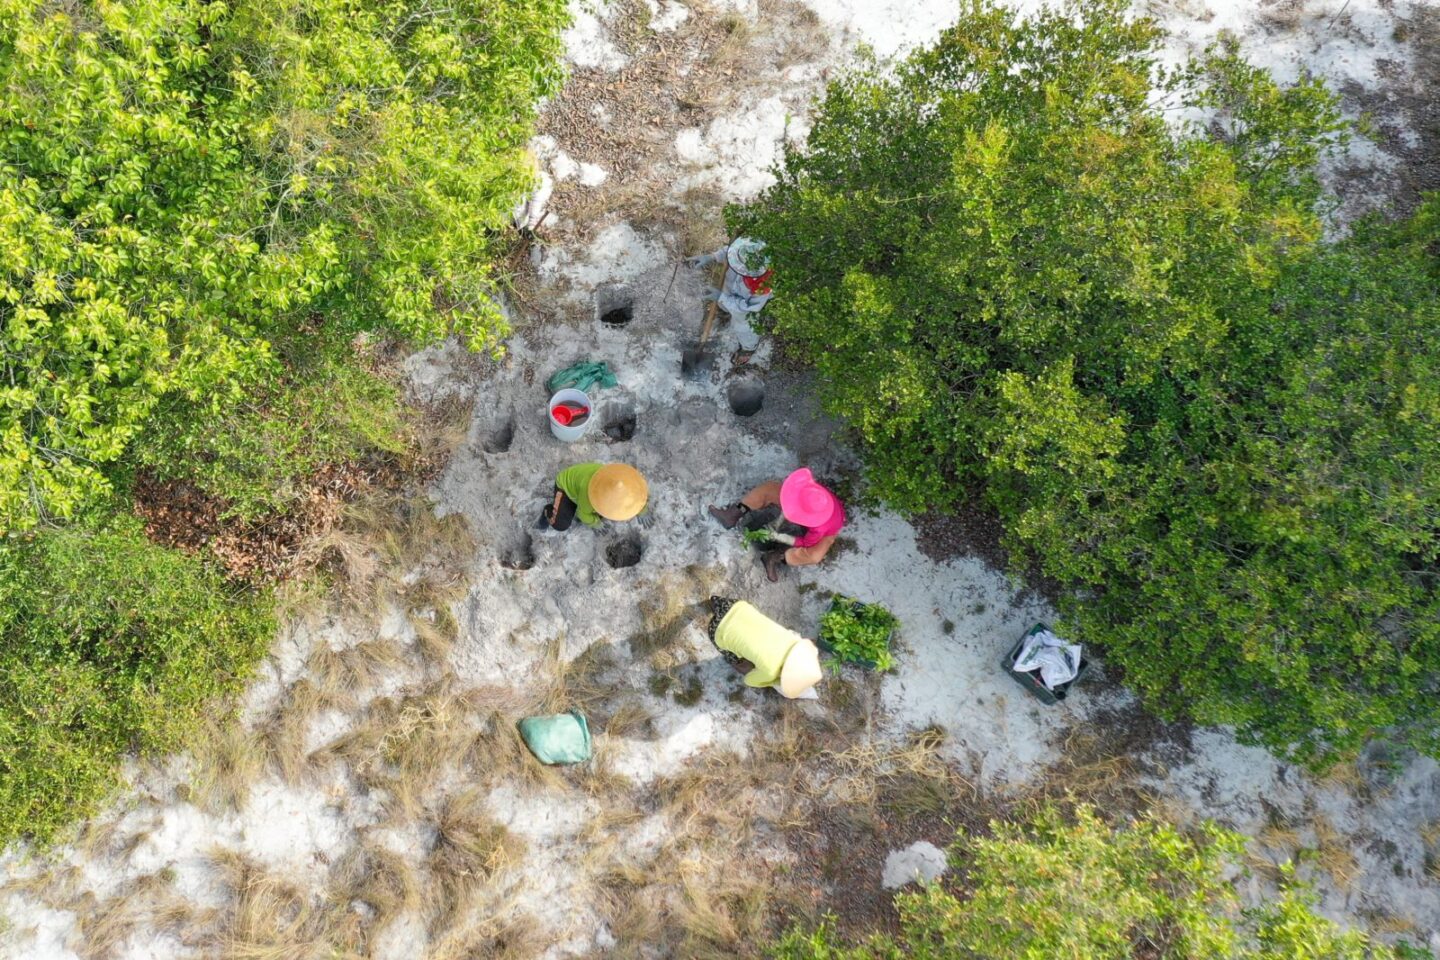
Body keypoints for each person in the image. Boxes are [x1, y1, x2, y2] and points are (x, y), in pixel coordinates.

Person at [708, 468, 845, 581]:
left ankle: (774, 557)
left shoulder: (820, 528)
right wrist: (779, 519)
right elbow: (791, 495)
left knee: (814, 555)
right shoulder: (811, 492)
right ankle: (732, 514)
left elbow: (804, 543)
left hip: (828, 529)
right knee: (769, 488)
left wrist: (780, 537)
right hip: (808, 504)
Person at [707, 596, 822, 700]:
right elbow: (749, 680)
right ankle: (735, 660)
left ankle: (713, 602)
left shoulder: (793, 640)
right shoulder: (770, 672)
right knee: (736, 660)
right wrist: (773, 681)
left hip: (737, 607)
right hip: (718, 630)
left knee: (722, 605)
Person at [685, 236, 773, 363]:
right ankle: (724, 309)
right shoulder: (749, 247)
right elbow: (730, 252)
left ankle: (748, 348)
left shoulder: (763, 285)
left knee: (745, 325)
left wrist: (722, 297)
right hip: (729, 289)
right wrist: (712, 257)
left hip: (745, 309)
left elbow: (746, 309)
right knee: (723, 302)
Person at [538, 462, 648, 531]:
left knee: (602, 514)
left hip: (585, 482)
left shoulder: (625, 481)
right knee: (561, 524)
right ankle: (548, 512)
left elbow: (638, 495)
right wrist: (594, 523)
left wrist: (641, 509)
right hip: (565, 488)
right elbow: (583, 514)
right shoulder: (589, 497)